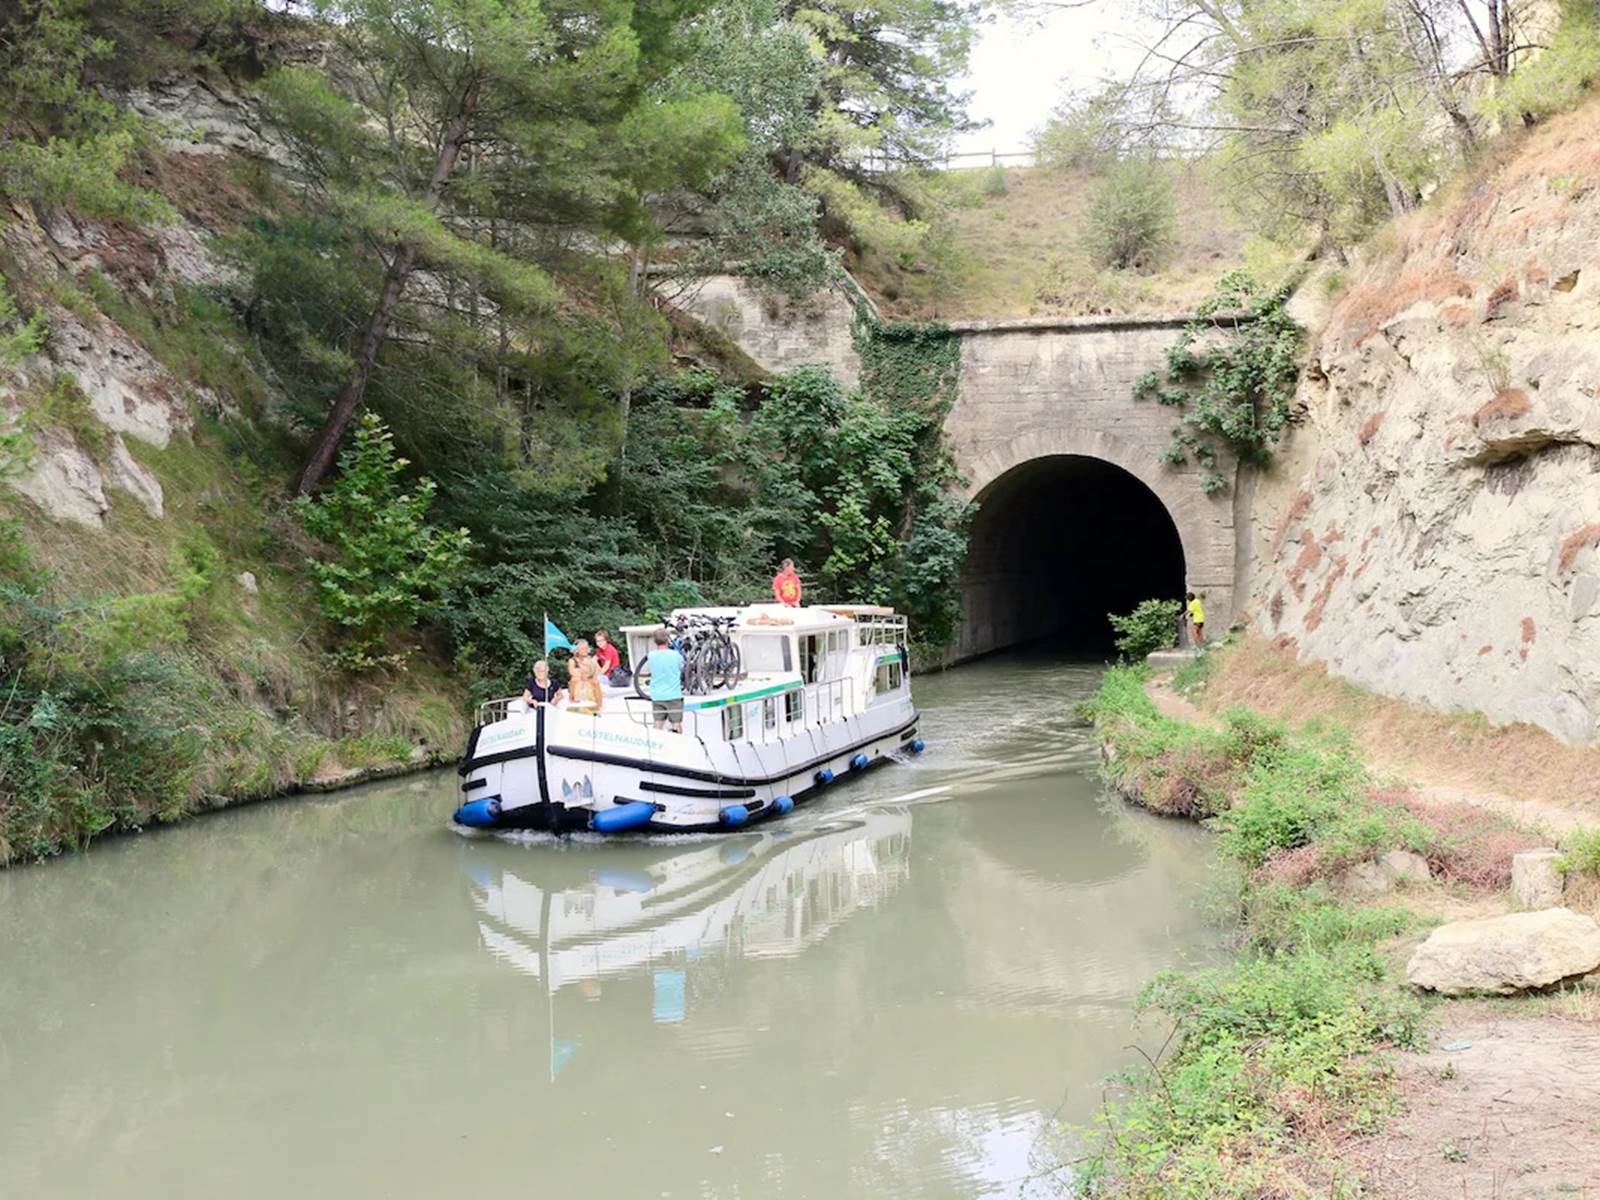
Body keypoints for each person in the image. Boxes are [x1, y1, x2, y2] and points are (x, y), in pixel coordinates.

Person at [646, 628, 685, 732]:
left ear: (655, 641)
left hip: (657, 695)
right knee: (676, 725)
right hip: (674, 696)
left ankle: (656, 745)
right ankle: (678, 744)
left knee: (657, 724)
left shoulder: (651, 656)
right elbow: (682, 667)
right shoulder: (676, 655)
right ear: (667, 640)